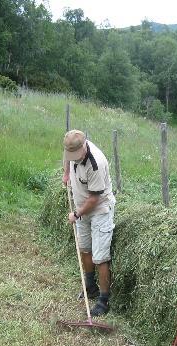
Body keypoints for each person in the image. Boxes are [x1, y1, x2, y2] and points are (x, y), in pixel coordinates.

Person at [62, 130, 115, 316]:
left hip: (99, 210)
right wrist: (66, 174)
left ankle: (103, 300)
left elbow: (94, 199)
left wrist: (76, 214)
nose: (73, 158)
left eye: (76, 156)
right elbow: (67, 156)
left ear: (84, 146)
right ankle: (90, 287)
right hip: (81, 208)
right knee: (85, 248)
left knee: (100, 256)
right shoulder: (72, 147)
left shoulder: (96, 163)